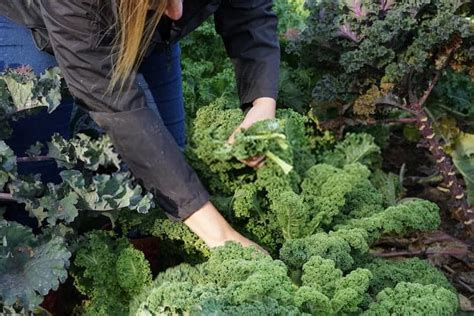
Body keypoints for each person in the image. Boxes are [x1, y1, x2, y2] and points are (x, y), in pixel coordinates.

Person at [0, 0, 280, 249]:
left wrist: (262, 104)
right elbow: (117, 106)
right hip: (36, 20)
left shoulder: (168, 9)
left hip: (141, 22)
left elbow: (250, 9)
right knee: (36, 184)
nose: (178, 11)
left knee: (169, 165)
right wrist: (223, 238)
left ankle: (147, 258)